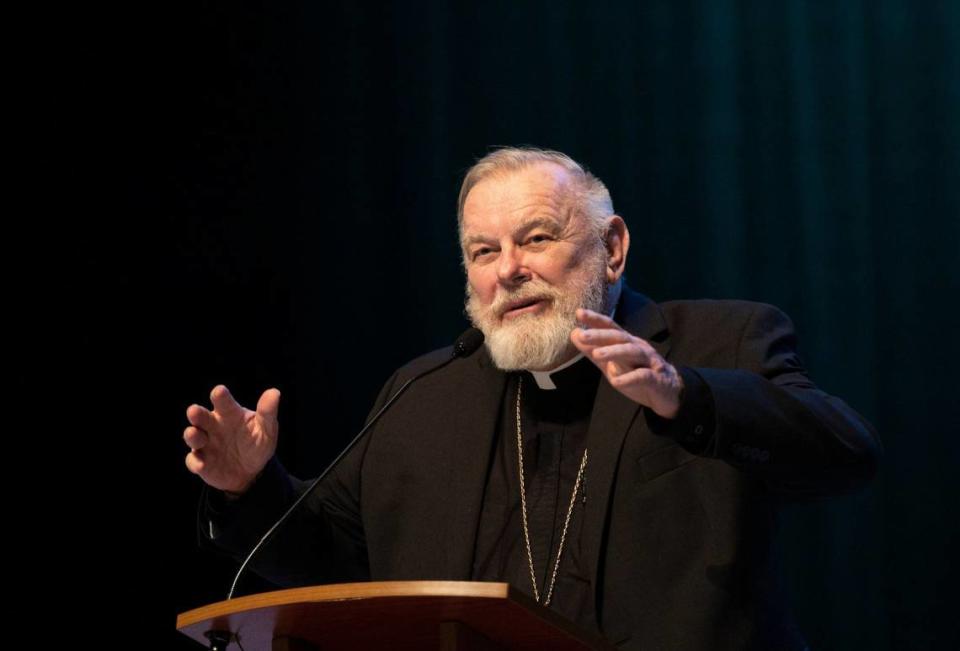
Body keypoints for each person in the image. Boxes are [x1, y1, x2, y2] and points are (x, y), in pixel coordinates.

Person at [184, 147, 880, 650]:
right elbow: (327, 554)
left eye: (537, 238)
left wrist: (685, 396)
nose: (508, 270)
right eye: (483, 251)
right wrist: (252, 487)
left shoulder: (719, 342)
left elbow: (844, 453)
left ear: (612, 247)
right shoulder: (424, 394)